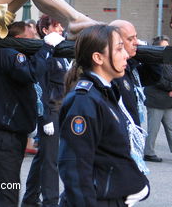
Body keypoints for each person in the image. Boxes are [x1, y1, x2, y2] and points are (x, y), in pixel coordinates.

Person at [59, 24, 149, 207]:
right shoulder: (84, 101)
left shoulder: (106, 94)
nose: (125, 55)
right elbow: (75, 169)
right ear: (98, 58)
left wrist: (138, 184)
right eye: (118, 49)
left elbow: (113, 154)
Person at [0, 21, 63, 207]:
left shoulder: (12, 54)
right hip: (5, 134)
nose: (36, 41)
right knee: (6, 193)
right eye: (31, 38)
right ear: (18, 39)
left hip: (10, 134)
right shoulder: (9, 53)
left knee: (0, 189)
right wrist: (47, 47)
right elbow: (30, 73)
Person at [22, 15, 67, 207]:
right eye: (56, 26)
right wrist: (46, 116)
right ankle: (51, 202)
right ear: (45, 30)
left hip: (60, 109)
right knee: (51, 160)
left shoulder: (61, 51)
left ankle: (30, 199)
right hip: (51, 110)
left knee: (43, 157)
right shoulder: (44, 51)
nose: (61, 29)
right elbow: (41, 86)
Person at [142, 35, 172, 163]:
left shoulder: (167, 62)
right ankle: (149, 153)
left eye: (168, 46)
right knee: (153, 129)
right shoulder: (154, 62)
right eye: (164, 47)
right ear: (157, 48)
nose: (166, 49)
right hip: (155, 100)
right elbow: (157, 80)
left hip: (166, 101)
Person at [110, 20, 145, 126]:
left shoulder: (129, 65)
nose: (136, 42)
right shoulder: (109, 74)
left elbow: (153, 77)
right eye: (130, 39)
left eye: (136, 37)